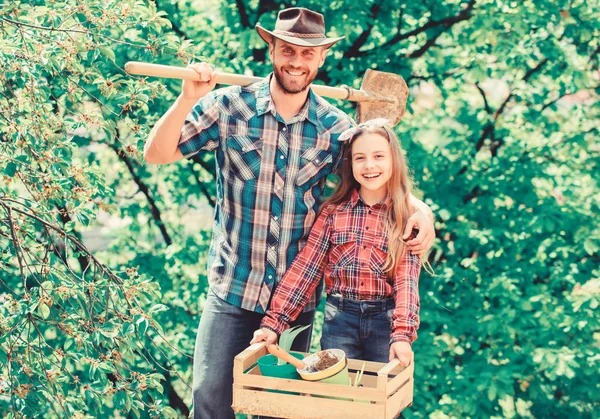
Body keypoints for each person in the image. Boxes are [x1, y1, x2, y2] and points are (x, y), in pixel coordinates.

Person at [143, 7, 434, 419]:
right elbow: (155, 154)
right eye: (287, 50)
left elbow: (378, 179)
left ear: (321, 58)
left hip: (296, 300)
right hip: (232, 289)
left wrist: (422, 210)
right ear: (272, 50)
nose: (296, 62)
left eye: (307, 53)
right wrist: (188, 98)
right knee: (209, 400)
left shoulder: (336, 128)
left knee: (277, 412)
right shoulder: (229, 107)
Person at [252, 120, 421, 365]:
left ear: (393, 160)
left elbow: (407, 282)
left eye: (379, 156)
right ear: (350, 163)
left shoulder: (406, 217)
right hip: (340, 320)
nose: (369, 165)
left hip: (386, 324)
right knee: (337, 395)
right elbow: (306, 269)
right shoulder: (333, 213)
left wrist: (402, 335)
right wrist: (274, 323)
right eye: (360, 158)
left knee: (380, 397)